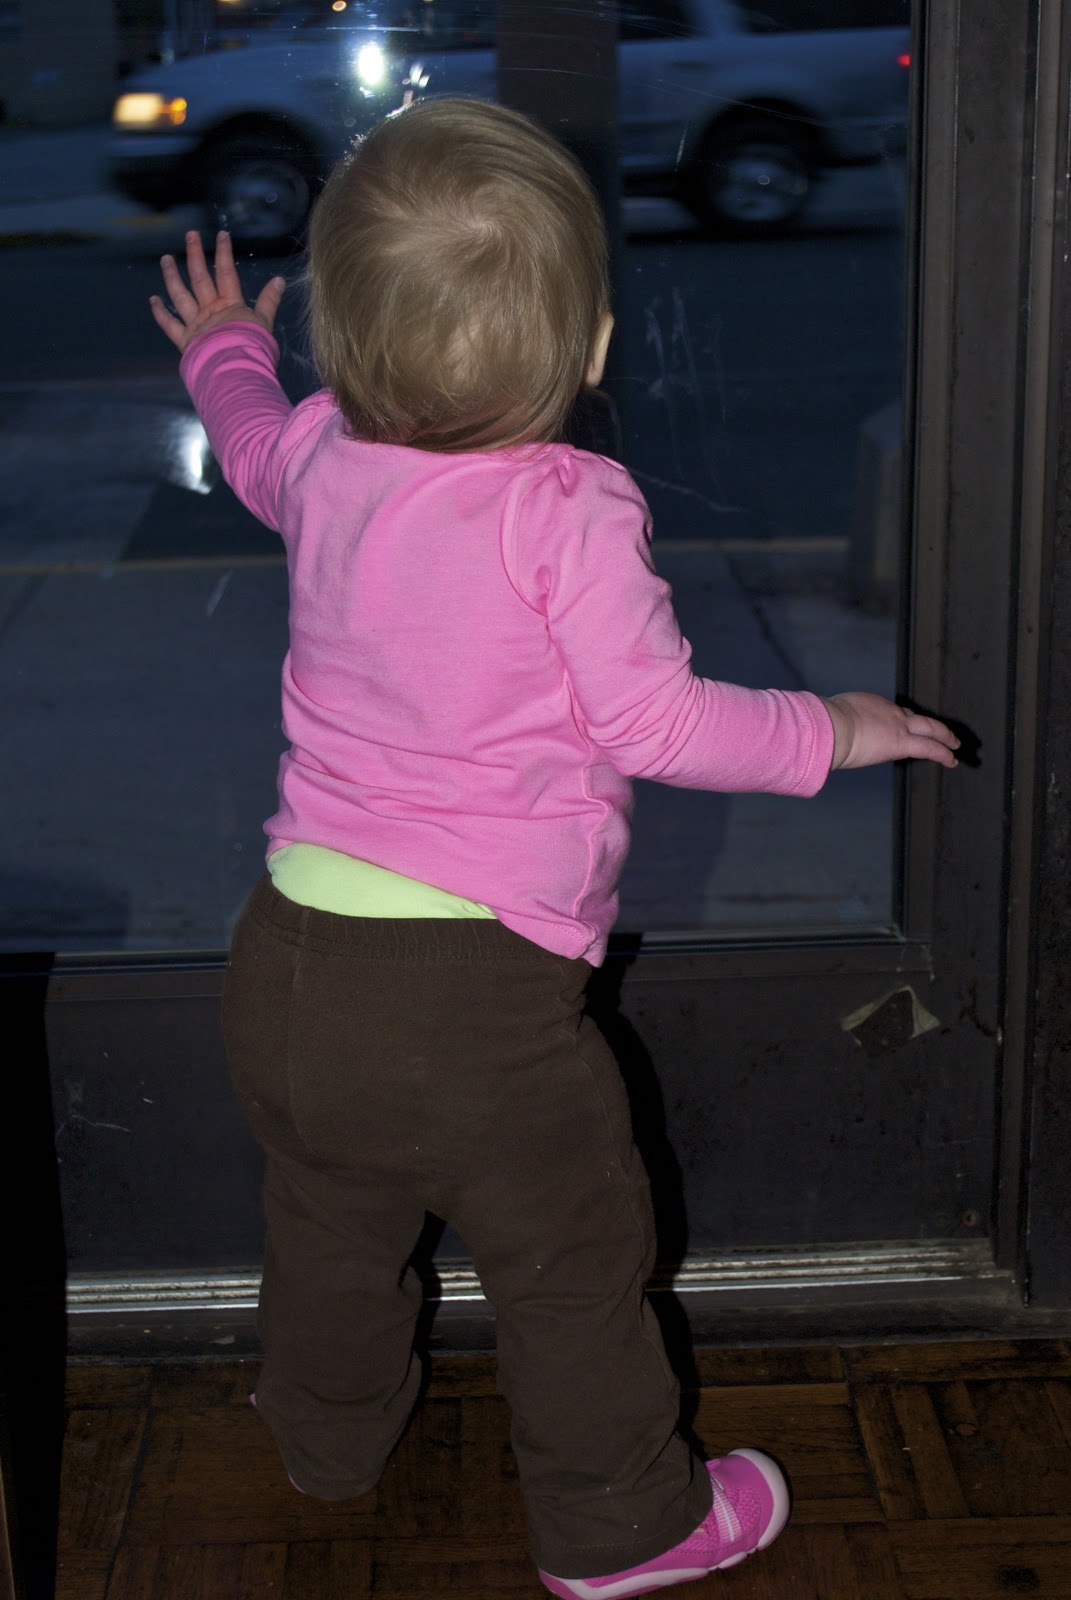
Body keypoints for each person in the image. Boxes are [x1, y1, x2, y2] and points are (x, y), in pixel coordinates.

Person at [150, 96, 959, 1598]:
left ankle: (324, 1443)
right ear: (588, 348)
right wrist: (836, 728)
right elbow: (656, 723)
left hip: (286, 960)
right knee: (572, 1263)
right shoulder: (568, 506)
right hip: (473, 1008)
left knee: (330, 1231)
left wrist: (224, 350)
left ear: (343, 336)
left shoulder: (323, 457)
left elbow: (251, 440)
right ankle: (620, 1527)